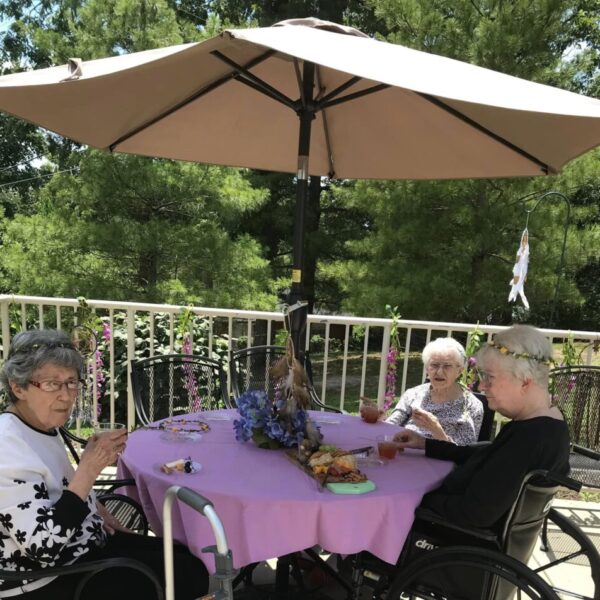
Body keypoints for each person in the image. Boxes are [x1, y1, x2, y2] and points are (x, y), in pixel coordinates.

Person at [0, 329, 209, 599]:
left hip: (82, 543)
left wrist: (95, 508)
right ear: (18, 388)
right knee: (188, 574)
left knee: (183, 554)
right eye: (52, 384)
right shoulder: (7, 447)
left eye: (72, 382)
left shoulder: (39, 425)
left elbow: (57, 488)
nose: (67, 396)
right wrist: (89, 468)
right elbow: (44, 548)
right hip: (43, 579)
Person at [395, 324, 570, 530]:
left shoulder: (529, 438)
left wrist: (417, 497)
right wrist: (426, 444)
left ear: (524, 381)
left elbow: (475, 514)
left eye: (490, 377)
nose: (481, 386)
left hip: (450, 535)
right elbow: (488, 457)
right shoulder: (547, 425)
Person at [384, 337, 483, 445]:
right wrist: (378, 422)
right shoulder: (413, 394)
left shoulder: (471, 405)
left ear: (459, 371)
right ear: (427, 368)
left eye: (447, 366)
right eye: (434, 365)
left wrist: (436, 430)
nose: (439, 372)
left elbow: (464, 452)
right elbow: (391, 426)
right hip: (405, 453)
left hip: (441, 459)